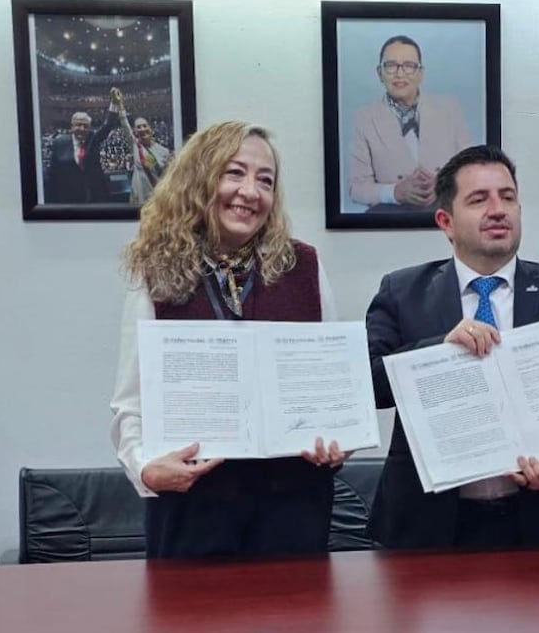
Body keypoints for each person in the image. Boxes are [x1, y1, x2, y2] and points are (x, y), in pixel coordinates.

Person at [110, 121, 349, 558]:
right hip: (192, 510)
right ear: (200, 179)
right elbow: (131, 401)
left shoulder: (304, 266)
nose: (250, 192)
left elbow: (331, 388)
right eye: (234, 173)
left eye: (265, 180)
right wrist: (145, 469)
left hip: (293, 509)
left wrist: (336, 440)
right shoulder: (155, 271)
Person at [366, 144, 539, 549]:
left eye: (507, 197)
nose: (498, 209)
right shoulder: (402, 292)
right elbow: (367, 384)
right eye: (479, 199)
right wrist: (439, 349)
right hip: (428, 525)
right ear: (446, 221)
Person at [348, 35, 470, 212]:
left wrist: (443, 185)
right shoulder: (364, 118)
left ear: (420, 73)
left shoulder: (449, 109)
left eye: (409, 66)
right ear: (380, 73)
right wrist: (395, 192)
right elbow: (356, 189)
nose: (399, 73)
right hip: (390, 219)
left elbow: (469, 171)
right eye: (390, 66)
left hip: (444, 213)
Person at [110, 87, 171, 206]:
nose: (142, 129)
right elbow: (125, 124)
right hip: (138, 199)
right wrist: (120, 105)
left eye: (144, 126)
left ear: (151, 129)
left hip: (157, 199)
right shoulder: (135, 146)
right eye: (138, 127)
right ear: (135, 132)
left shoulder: (164, 152)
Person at [43, 109, 116, 204]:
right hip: (67, 198)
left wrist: (114, 105)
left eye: (85, 126)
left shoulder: (93, 139)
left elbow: (108, 126)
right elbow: (53, 173)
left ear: (89, 128)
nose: (82, 128)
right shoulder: (60, 142)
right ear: (72, 126)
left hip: (92, 196)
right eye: (78, 125)